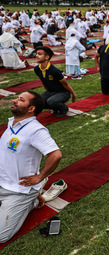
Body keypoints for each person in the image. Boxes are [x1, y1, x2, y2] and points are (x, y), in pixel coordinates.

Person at [0, 91, 62, 243]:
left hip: (19, 191)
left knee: (1, 236)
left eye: (21, 100)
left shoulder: (36, 130)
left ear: (31, 109)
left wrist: (39, 178)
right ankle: (35, 196)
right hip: (2, 183)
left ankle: (31, 200)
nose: (15, 101)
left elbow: (56, 154)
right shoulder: (13, 122)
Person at [34, 46, 77, 118]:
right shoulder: (37, 69)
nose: (36, 56)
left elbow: (65, 84)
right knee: (38, 101)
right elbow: (43, 81)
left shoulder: (54, 71)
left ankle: (64, 109)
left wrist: (73, 94)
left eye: (39, 54)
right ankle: (55, 108)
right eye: (37, 54)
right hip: (50, 91)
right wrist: (47, 92)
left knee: (51, 101)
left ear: (47, 57)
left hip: (62, 92)